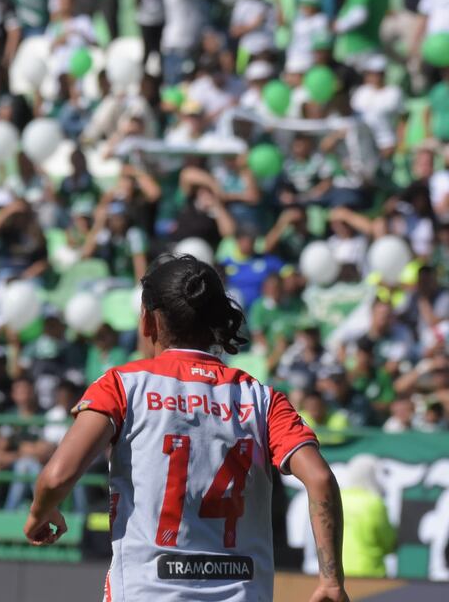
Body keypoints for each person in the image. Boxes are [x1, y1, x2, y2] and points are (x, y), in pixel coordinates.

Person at [24, 255, 348, 602]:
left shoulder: (122, 386)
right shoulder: (262, 399)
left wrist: (40, 513)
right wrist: (331, 581)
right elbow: (320, 480)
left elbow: (57, 477)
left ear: (149, 321)